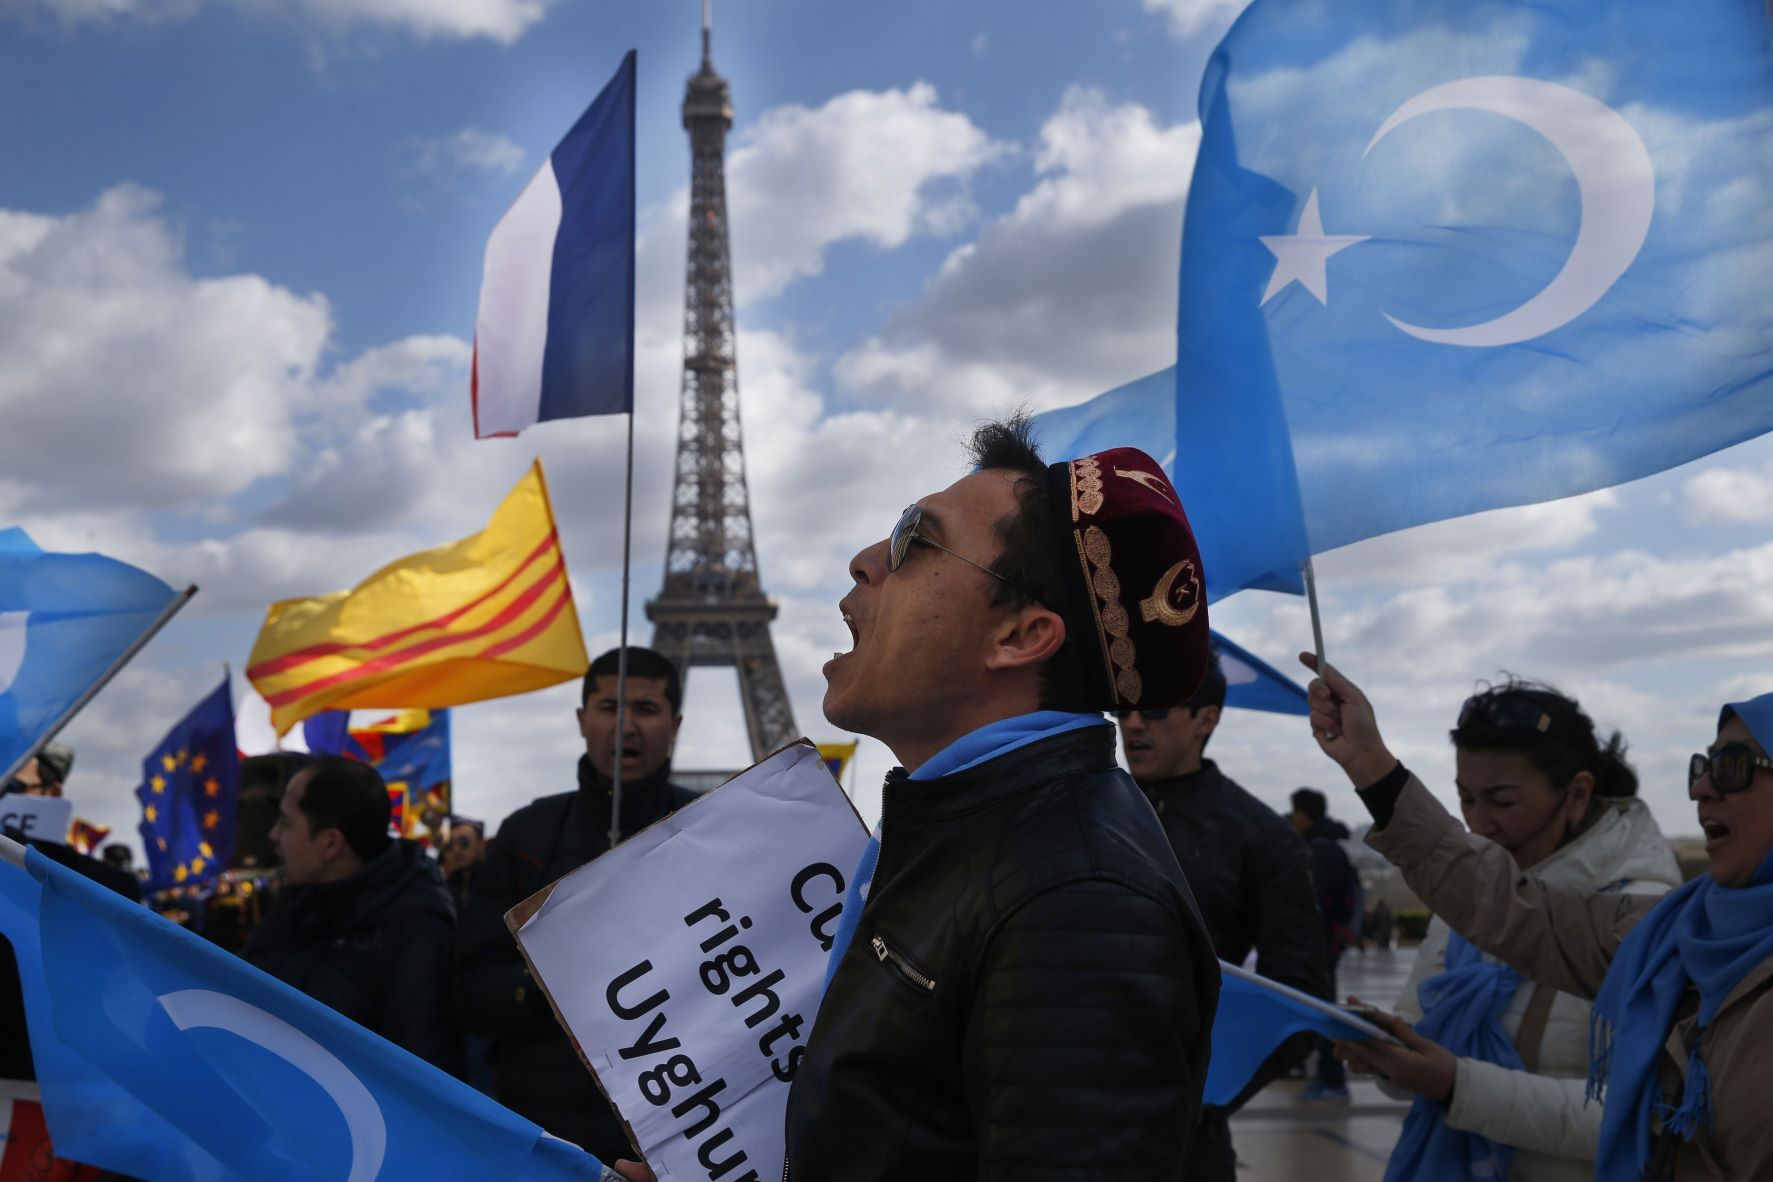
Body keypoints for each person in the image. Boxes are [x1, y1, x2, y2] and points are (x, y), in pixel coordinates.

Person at [612, 420, 1221, 1181]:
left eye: (912, 540)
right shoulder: (980, 836)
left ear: (1020, 635)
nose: (866, 560)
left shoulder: (1080, 899)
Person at [1308, 660, 1773, 1181]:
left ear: (1576, 794)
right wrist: (1372, 767)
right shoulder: (1678, 933)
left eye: (1733, 766)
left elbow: (1634, 1114)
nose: (1702, 789)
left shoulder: (1657, 913)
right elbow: (1509, 909)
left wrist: (1459, 1085)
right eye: (1702, 768)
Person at [456, 646, 695, 1161]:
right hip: (546, 1131)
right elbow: (469, 985)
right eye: (610, 708)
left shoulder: (710, 828)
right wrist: (559, 990)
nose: (627, 726)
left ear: (674, 725)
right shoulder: (525, 835)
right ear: (582, 720)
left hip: (679, 1128)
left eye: (647, 710)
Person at [1119, 650, 1328, 1177]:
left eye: (1158, 710)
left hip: (1184, 1147)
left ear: (1207, 719)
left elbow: (1300, 999)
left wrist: (1203, 1098)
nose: (1134, 723)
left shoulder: (1262, 837)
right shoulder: (1077, 809)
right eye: (1123, 708)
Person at [243, 756, 458, 1072]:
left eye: (286, 823)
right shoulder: (296, 904)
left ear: (331, 843)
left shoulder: (418, 933)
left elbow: (420, 1081)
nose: (274, 835)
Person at [1289, 786, 1360, 1101]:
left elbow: (1309, 899)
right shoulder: (1329, 846)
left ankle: (1332, 1078)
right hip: (1326, 940)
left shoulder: (1319, 850)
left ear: (1303, 815)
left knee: (1322, 1008)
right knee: (1318, 1005)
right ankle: (1322, 1072)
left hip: (1320, 942)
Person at [439, 816, 486, 917]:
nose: (456, 850)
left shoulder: (498, 883)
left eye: (464, 843)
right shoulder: (444, 883)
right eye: (450, 844)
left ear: (481, 845)